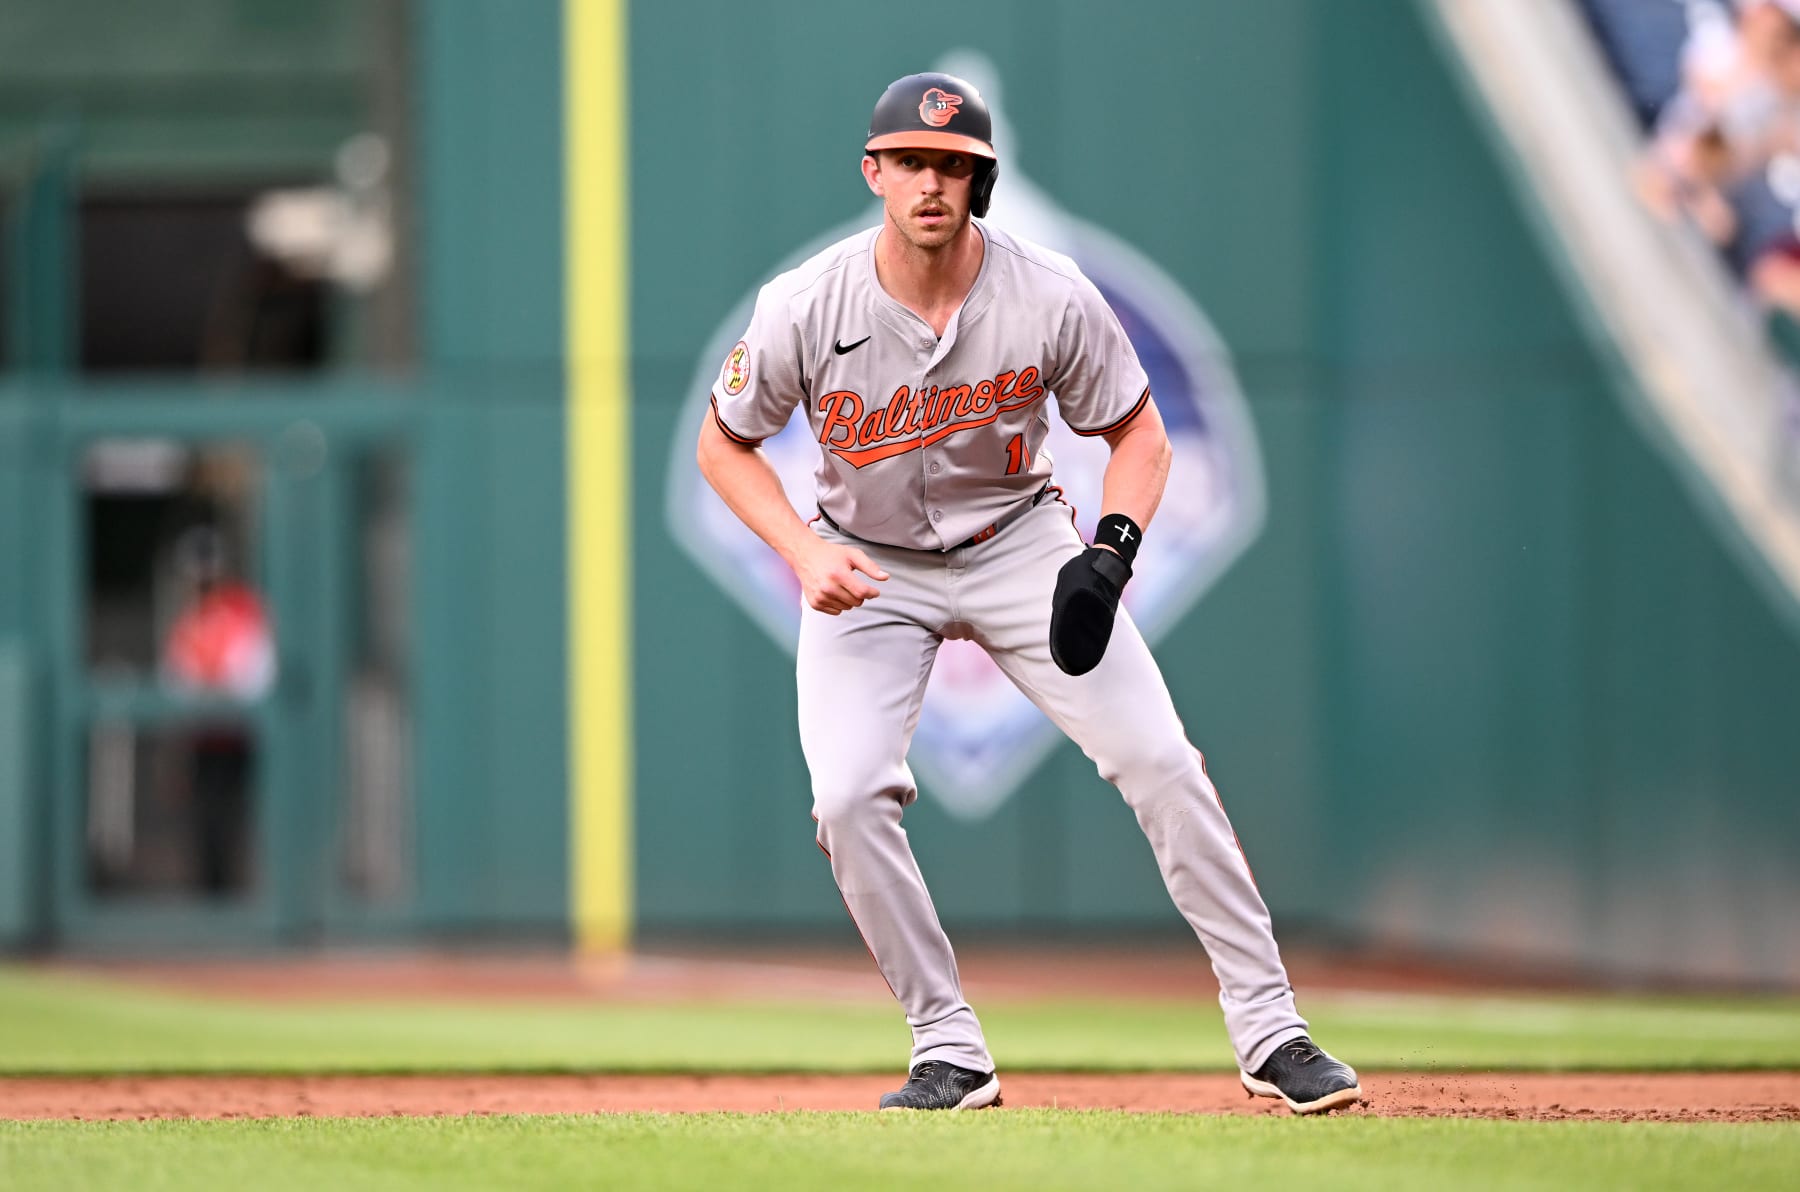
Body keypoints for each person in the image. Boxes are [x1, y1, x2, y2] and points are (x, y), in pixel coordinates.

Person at [695, 71, 1360, 1114]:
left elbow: (1138, 432)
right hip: (866, 561)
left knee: (1162, 763)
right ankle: (948, 1046)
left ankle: (1273, 1029)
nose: (931, 182)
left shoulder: (1047, 291)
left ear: (982, 181)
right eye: (912, 161)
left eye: (953, 165)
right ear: (874, 172)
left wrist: (1111, 553)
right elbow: (723, 445)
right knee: (848, 797)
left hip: (1018, 543)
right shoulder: (805, 304)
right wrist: (794, 548)